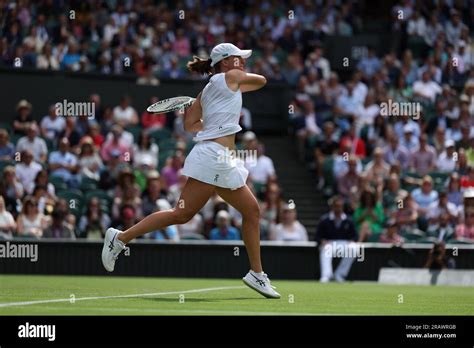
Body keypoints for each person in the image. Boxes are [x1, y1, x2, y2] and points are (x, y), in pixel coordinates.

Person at [101, 43, 281, 298]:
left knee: (251, 211)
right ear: (227, 62)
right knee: (181, 214)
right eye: (239, 59)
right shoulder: (231, 76)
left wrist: (211, 120)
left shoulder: (207, 91)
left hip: (224, 159)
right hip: (213, 157)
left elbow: (189, 124)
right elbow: (261, 81)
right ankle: (120, 238)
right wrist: (219, 111)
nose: (243, 62)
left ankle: (256, 274)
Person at [316, 195, 358, 283]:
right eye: (336, 206)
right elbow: (318, 236)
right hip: (330, 244)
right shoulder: (324, 220)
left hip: (344, 243)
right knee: (326, 248)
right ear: (332, 206)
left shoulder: (349, 220)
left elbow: (355, 236)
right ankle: (326, 276)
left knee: (354, 248)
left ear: (343, 207)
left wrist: (352, 240)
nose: (338, 208)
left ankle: (339, 275)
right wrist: (322, 241)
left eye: (340, 206)